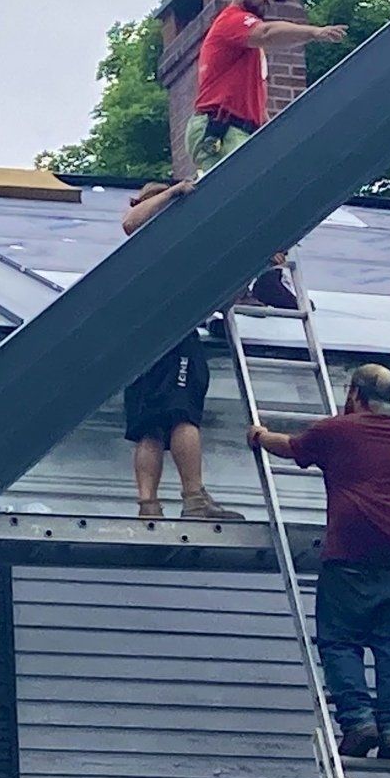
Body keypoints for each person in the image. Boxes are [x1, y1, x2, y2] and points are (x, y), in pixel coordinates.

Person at [248, 363, 390, 760]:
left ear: (355, 394)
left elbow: (291, 447)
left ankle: (359, 722)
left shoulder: (338, 430)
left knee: (340, 641)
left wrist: (259, 435)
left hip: (352, 552)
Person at [188, 0, 346, 307]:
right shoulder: (233, 22)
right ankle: (234, 286)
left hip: (241, 130)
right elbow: (266, 33)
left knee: (281, 195)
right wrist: (313, 32)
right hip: (219, 128)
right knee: (237, 206)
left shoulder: (248, 47)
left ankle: (266, 277)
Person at [119, 180, 244, 522]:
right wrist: (173, 194)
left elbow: (223, 300)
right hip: (173, 337)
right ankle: (193, 498)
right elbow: (131, 222)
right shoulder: (155, 241)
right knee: (181, 413)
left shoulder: (158, 256)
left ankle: (149, 506)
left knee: (150, 427)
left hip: (140, 342)